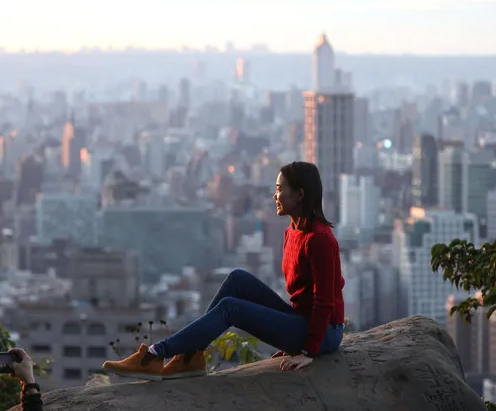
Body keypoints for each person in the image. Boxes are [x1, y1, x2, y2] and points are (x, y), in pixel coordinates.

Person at [102, 161, 345, 380]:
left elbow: (324, 302)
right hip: (301, 321)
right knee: (237, 278)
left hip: (324, 334)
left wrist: (306, 351)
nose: (275, 195)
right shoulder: (292, 232)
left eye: (281, 189)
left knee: (231, 307)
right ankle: (190, 357)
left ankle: (155, 355)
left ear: (300, 194)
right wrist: (285, 331)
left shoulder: (319, 239)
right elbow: (301, 298)